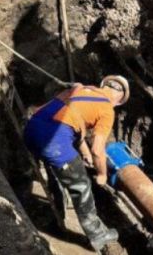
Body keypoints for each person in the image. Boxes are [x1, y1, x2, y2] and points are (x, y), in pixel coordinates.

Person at [24, 76, 130, 252]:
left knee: (56, 169)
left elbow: (71, 121)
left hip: (32, 130)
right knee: (81, 187)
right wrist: (102, 174)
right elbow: (98, 150)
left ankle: (57, 213)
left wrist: (85, 154)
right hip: (54, 142)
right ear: (118, 101)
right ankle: (98, 236)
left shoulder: (80, 90)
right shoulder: (107, 110)